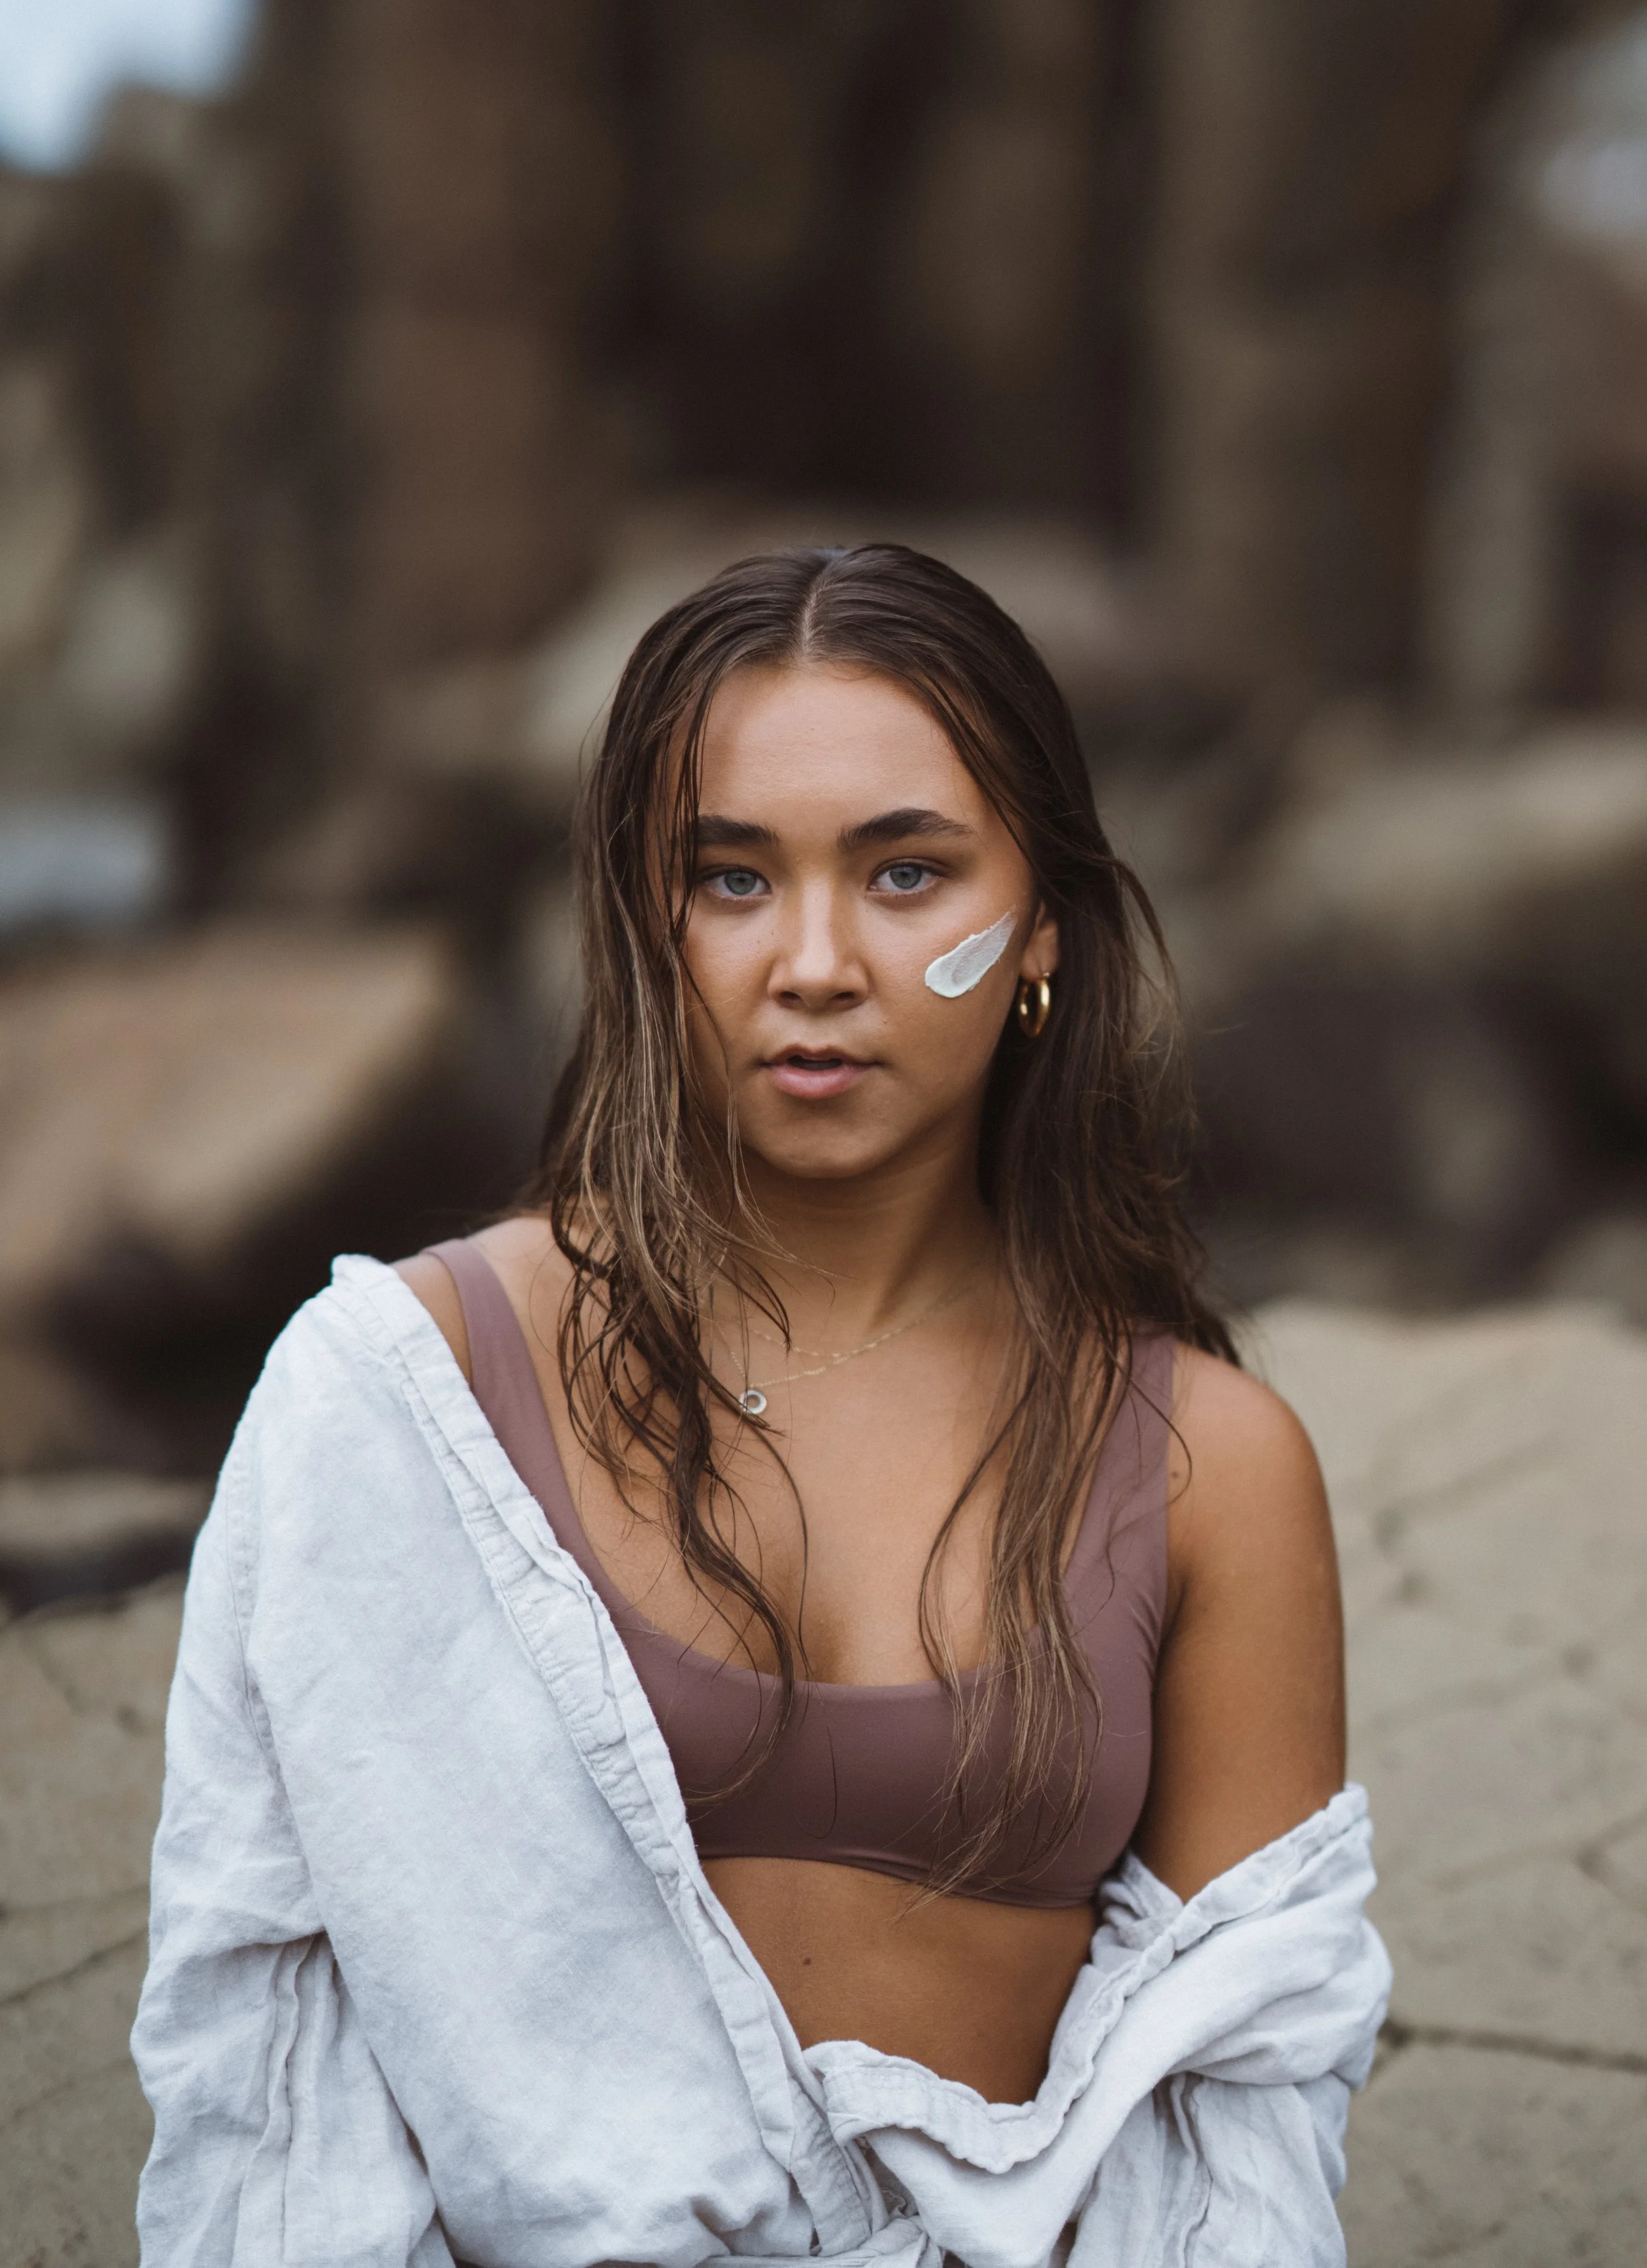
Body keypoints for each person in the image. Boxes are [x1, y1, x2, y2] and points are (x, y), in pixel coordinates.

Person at [132, 545, 1389, 2267]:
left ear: (1034, 930)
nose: (812, 959)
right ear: (649, 925)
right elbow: (272, 2040)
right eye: (732, 877)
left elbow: (1241, 2100)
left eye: (904, 873)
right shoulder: (395, 1395)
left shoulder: (1201, 1467)